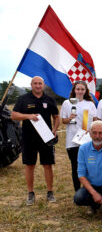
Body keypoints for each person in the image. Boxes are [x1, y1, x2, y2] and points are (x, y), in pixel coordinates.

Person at [11, 76, 60, 205]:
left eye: (40, 83)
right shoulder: (23, 99)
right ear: (31, 84)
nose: (38, 86)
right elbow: (14, 115)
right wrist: (28, 116)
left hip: (46, 138)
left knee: (48, 165)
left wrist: (54, 130)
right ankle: (30, 193)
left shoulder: (49, 100)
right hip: (28, 138)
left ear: (43, 85)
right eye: (35, 83)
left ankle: (50, 192)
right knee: (30, 165)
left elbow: (56, 117)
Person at [60, 81, 96, 191]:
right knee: (75, 167)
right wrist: (69, 118)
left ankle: (89, 190)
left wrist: (91, 129)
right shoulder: (67, 103)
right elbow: (63, 120)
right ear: (74, 90)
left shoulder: (90, 104)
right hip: (72, 141)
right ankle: (77, 191)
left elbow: (95, 120)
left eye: (82, 89)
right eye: (78, 89)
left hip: (87, 140)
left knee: (89, 167)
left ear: (86, 91)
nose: (80, 91)